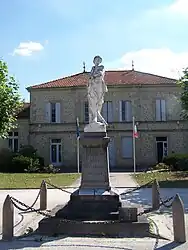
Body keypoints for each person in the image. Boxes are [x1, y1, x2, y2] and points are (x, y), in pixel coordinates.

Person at [88, 56, 108, 124]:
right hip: (93, 85)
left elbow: (101, 73)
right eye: (96, 60)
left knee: (99, 101)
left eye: (98, 60)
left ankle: (97, 116)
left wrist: (94, 75)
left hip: (99, 84)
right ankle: (94, 117)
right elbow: (90, 75)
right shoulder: (93, 68)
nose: (97, 61)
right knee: (93, 101)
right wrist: (92, 76)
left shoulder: (101, 67)